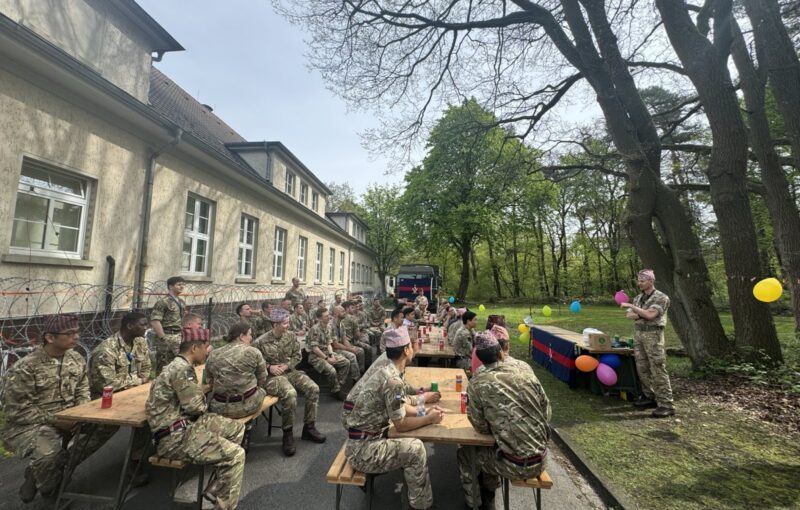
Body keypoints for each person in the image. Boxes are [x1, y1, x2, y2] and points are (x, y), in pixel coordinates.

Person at [2, 315, 107, 503]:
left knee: (104, 428)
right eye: (69, 333)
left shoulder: (76, 358)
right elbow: (16, 411)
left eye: (77, 332)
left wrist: (80, 414)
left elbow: (83, 389)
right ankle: (52, 492)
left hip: (70, 418)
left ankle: (38, 473)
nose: (76, 337)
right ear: (50, 338)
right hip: (31, 425)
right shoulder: (25, 367)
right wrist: (57, 420)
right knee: (48, 455)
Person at [343, 328, 445, 510]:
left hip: (364, 439)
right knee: (415, 449)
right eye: (412, 346)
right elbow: (402, 424)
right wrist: (429, 418)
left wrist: (424, 411)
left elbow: (401, 405)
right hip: (363, 451)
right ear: (406, 350)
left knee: (412, 439)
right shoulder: (393, 381)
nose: (414, 349)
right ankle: (421, 506)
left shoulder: (388, 371)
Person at [145, 327, 245, 509]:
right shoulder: (182, 370)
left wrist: (202, 392)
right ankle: (224, 504)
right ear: (194, 348)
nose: (209, 350)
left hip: (182, 424)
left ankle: (216, 486)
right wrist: (203, 397)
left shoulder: (179, 365)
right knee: (236, 455)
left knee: (237, 428)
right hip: (174, 437)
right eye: (206, 346)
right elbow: (196, 407)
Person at [457, 330, 551, 510]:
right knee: (495, 449)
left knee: (467, 453)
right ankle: (489, 494)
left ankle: (476, 503)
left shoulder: (478, 381)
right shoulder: (524, 368)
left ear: (480, 360)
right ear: (501, 351)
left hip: (512, 465)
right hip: (541, 459)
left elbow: (480, 427)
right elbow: (546, 411)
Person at [88, 312, 152, 486]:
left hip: (133, 396)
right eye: (143, 324)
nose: (146, 328)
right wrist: (138, 381)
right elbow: (106, 384)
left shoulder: (139, 342)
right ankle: (60, 467)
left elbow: (146, 367)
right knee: (96, 437)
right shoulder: (106, 350)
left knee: (148, 418)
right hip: (106, 401)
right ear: (130, 326)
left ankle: (135, 463)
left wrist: (140, 381)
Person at [254, 308, 326, 456]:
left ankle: (309, 428)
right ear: (275, 324)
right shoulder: (260, 342)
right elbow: (255, 363)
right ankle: (288, 434)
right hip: (272, 377)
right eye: (285, 323)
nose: (288, 326)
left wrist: (287, 365)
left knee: (313, 388)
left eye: (287, 322)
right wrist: (269, 367)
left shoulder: (291, 336)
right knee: (290, 394)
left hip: (290, 371)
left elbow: (297, 356)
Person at [342, 327, 441, 429]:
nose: (418, 347)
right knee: (414, 442)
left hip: (361, 416)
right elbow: (401, 423)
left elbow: (399, 400)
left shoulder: (393, 362)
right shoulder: (391, 368)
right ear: (406, 350)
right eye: (415, 344)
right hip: (357, 418)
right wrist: (425, 407)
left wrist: (424, 408)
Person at [621, 269, 675, 418]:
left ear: (651, 281)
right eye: (638, 281)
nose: (639, 284)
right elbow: (630, 316)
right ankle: (649, 397)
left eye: (642, 281)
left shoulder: (661, 297)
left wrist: (633, 309)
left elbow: (651, 315)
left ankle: (666, 404)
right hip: (639, 334)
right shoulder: (639, 298)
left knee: (657, 367)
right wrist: (638, 313)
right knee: (642, 367)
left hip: (653, 335)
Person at [205, 322, 268, 419]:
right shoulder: (253, 352)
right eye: (250, 334)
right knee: (262, 391)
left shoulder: (213, 354)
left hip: (219, 407)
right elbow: (262, 378)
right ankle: (248, 428)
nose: (251, 338)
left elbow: (209, 381)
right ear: (242, 336)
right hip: (247, 406)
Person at [305, 308, 352, 399]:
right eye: (326, 316)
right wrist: (327, 359)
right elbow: (315, 348)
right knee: (332, 370)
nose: (328, 317)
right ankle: (335, 391)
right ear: (319, 318)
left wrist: (331, 355)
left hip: (326, 352)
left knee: (346, 362)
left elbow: (328, 343)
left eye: (328, 315)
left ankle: (338, 386)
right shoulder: (314, 329)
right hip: (316, 356)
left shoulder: (328, 327)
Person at [150, 276, 186, 373]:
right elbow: (155, 321)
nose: (182, 287)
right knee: (164, 365)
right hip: (167, 335)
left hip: (178, 336)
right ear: (170, 286)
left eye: (183, 284)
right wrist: (163, 338)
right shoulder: (163, 302)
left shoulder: (181, 302)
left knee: (177, 364)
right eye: (179, 284)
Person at [331, 304, 366, 375]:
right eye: (343, 311)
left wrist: (351, 347)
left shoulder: (341, 324)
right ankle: (356, 378)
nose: (345, 313)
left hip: (341, 346)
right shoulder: (331, 326)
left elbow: (344, 340)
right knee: (352, 356)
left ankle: (360, 371)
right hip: (333, 349)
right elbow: (335, 345)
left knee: (359, 351)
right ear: (337, 313)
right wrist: (349, 349)